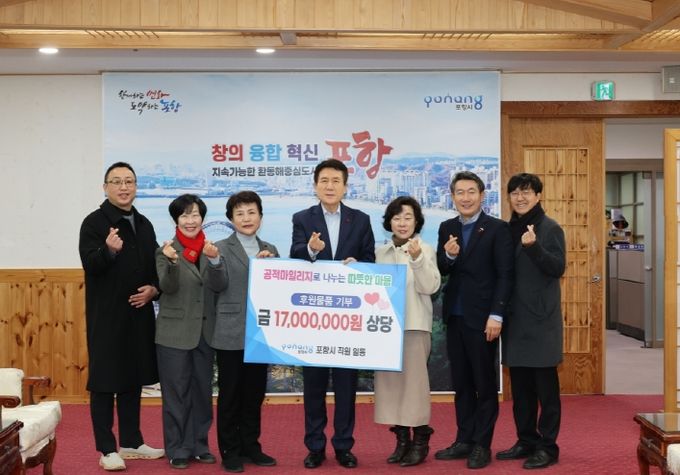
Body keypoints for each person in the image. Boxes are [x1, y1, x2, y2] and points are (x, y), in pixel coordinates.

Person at [78, 161, 165, 471]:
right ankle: (106, 448)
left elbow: (156, 266)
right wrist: (109, 251)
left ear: (136, 186)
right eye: (116, 181)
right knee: (104, 381)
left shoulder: (144, 223)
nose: (123, 187)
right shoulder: (93, 223)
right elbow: (91, 264)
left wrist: (154, 289)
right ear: (105, 187)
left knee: (133, 378)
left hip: (138, 315)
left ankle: (131, 441)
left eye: (129, 181)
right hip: (107, 317)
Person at [290, 158, 375, 469]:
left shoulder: (361, 220)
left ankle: (343, 446)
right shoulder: (302, 218)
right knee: (313, 386)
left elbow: (370, 259)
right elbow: (295, 254)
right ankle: (315, 446)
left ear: (345, 187)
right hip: (314, 317)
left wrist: (359, 265)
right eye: (324, 180)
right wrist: (311, 250)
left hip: (347, 319)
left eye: (336, 181)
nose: (329, 186)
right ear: (315, 186)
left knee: (345, 386)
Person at [434, 171, 514, 470]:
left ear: (482, 195)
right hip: (454, 315)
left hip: (483, 318)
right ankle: (464, 439)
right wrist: (450, 256)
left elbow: (505, 275)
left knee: (484, 383)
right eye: (460, 192)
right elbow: (443, 268)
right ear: (452, 197)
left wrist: (497, 314)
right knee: (462, 384)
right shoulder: (447, 227)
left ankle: (482, 444)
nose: (465, 198)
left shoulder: (497, 229)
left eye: (471, 192)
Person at [495, 173, 566, 470]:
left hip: (540, 322)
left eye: (526, 192)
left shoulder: (550, 228)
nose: (520, 197)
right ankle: (526, 440)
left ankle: (548, 447)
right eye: (515, 193)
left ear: (538, 195)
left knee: (546, 392)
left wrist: (534, 247)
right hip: (514, 322)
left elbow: (558, 267)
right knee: (521, 391)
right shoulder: (506, 229)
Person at [206, 191, 279, 473]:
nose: (246, 218)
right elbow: (217, 285)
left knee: (254, 394)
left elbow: (277, 290)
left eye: (251, 212)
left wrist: (269, 267)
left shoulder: (271, 248)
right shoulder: (219, 247)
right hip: (230, 331)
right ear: (231, 219)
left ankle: (251, 446)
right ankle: (230, 450)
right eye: (240, 213)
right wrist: (214, 262)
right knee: (230, 395)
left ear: (260, 216)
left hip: (261, 333)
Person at [155, 194, 227, 469]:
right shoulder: (165, 251)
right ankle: (177, 448)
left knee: (202, 392)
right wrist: (173, 262)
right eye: (184, 215)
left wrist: (216, 262)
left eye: (195, 214)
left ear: (202, 218)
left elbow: (219, 286)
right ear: (176, 220)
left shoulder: (211, 249)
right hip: (173, 334)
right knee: (176, 394)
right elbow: (167, 287)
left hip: (205, 333)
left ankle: (199, 445)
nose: (190, 220)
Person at [373, 196, 441, 467]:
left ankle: (421, 440)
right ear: (389, 222)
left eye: (408, 217)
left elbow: (430, 287)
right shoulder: (381, 253)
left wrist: (416, 259)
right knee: (390, 387)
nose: (402, 223)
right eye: (397, 217)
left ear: (417, 222)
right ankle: (402, 440)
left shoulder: (425, 249)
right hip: (385, 329)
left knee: (414, 387)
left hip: (414, 326)